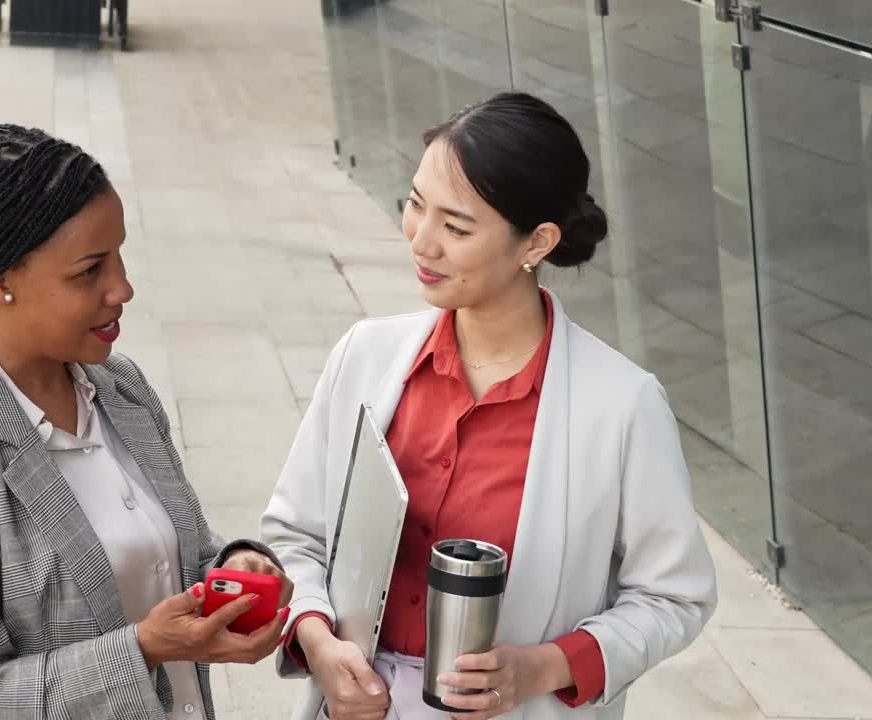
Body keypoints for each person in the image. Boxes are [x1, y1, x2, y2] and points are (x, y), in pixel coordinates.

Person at [261, 92, 718, 720]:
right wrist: (317, 640)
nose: (422, 242)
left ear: (537, 242)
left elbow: (674, 596)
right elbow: (294, 535)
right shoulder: (365, 356)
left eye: (456, 227)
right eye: (416, 205)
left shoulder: (622, 405)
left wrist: (545, 665)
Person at [0, 124, 292, 720]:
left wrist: (231, 570)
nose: (123, 288)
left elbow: (158, 564)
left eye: (119, 255)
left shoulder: (120, 390)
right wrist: (141, 651)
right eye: (89, 270)